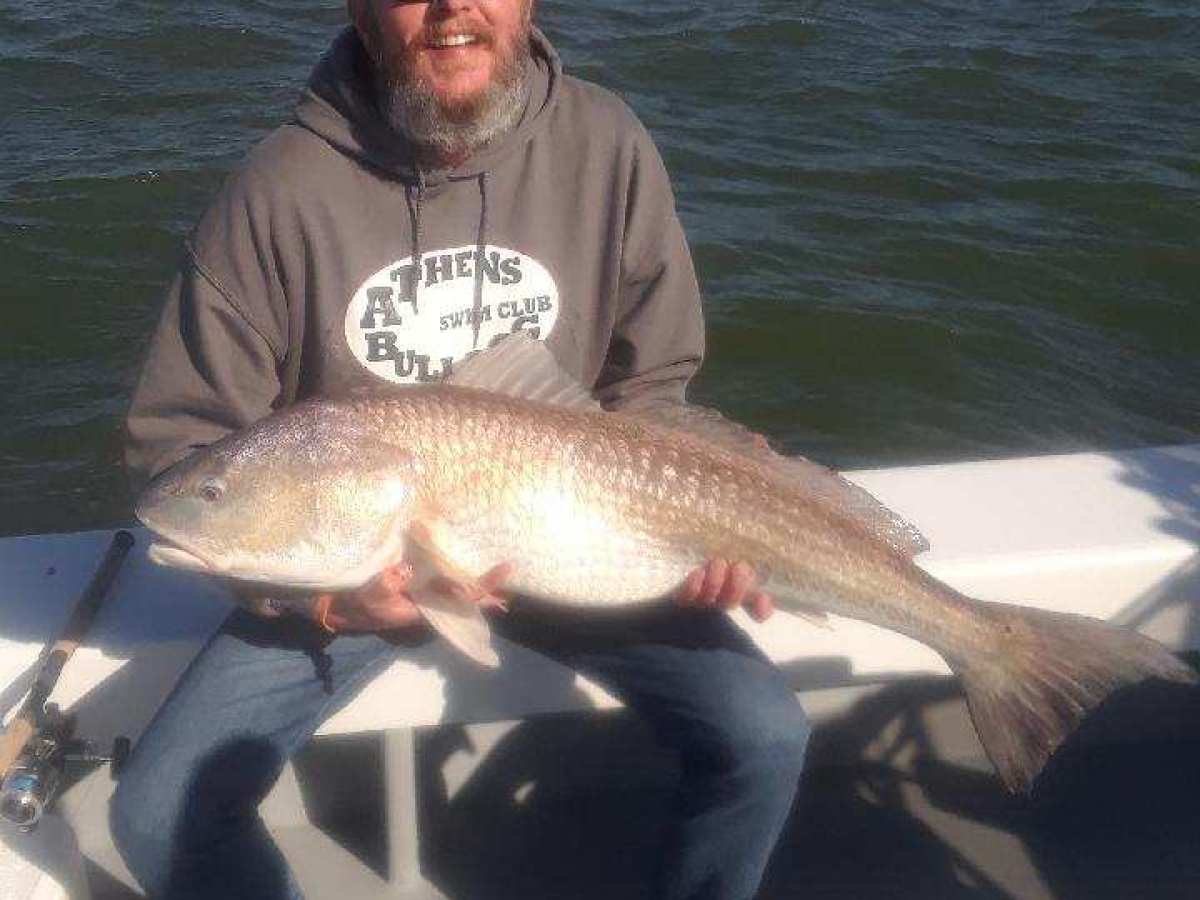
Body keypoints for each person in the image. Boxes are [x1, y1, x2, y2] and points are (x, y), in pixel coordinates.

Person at [112, 1, 810, 897]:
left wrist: (709, 522)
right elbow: (180, 446)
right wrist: (330, 603)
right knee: (157, 811)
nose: (452, 9)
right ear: (361, 11)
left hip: (587, 543)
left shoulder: (608, 144)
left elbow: (650, 384)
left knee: (764, 735)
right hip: (355, 563)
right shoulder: (274, 191)